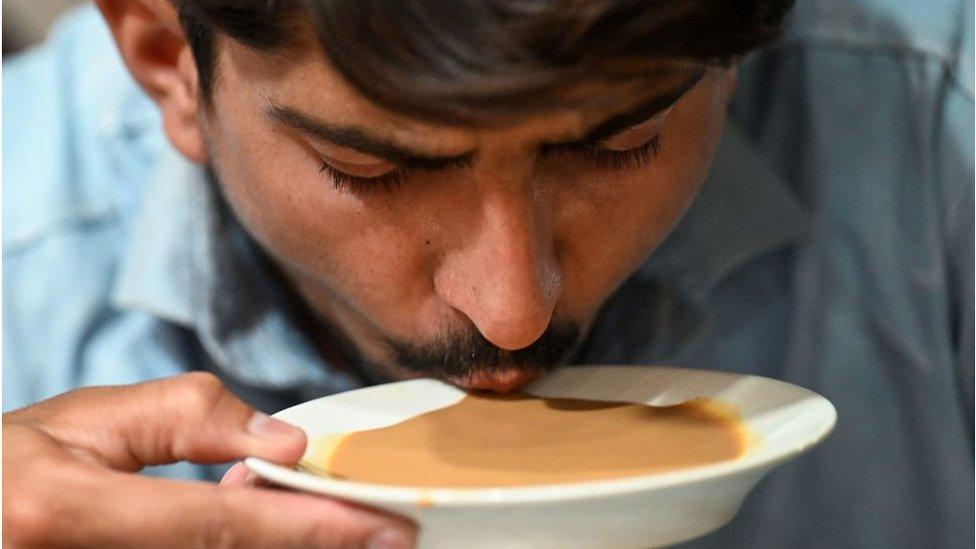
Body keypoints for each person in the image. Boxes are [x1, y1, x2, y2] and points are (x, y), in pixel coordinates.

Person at [2, 0, 972, 547]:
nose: (511, 312)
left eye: (623, 142)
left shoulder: (939, 131)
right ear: (168, 58)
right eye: (369, 170)